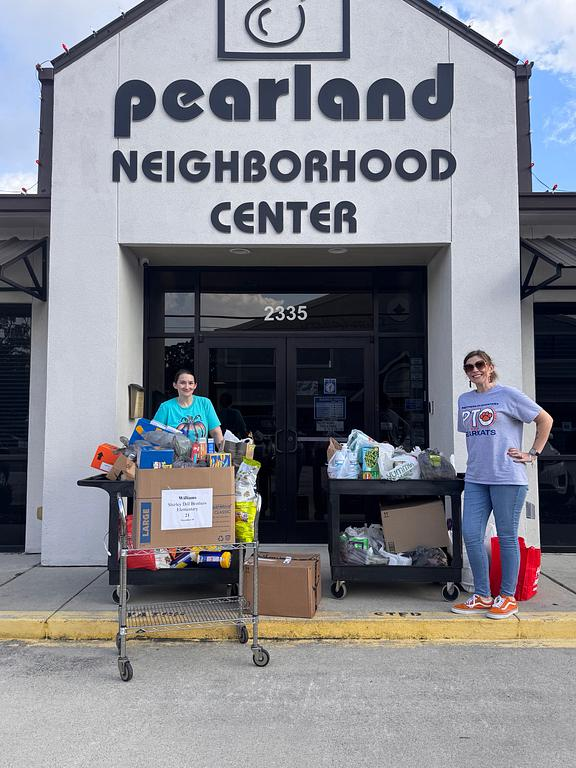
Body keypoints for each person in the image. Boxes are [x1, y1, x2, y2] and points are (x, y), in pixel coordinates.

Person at [451, 350, 553, 619]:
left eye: (479, 364)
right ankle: (482, 595)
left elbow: (545, 419)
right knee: (471, 535)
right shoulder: (465, 400)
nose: (474, 369)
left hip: (507, 478)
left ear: (490, 367)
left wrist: (532, 454)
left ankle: (507, 597)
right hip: (476, 478)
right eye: (469, 367)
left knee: (506, 537)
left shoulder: (508, 395)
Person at [153, 369, 224, 448]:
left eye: (190, 383)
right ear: (175, 385)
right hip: (173, 455)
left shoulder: (205, 403)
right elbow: (155, 435)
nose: (187, 387)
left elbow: (216, 432)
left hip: (201, 454)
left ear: (195, 386)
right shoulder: (166, 407)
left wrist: (223, 452)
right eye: (183, 383)